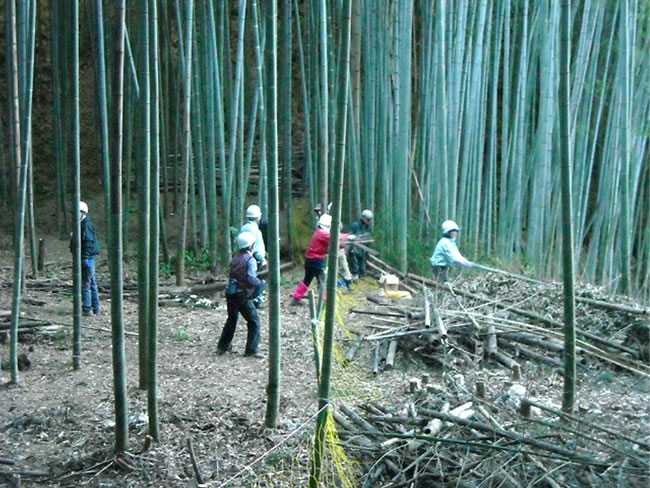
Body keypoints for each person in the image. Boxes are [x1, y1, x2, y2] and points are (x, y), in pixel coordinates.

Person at [217, 232, 265, 358]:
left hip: (230, 293)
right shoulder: (250, 260)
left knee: (231, 320)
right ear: (251, 246)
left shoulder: (235, 257)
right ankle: (251, 350)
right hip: (241, 294)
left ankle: (222, 347)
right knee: (254, 321)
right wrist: (260, 282)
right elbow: (250, 278)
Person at [292, 214, 353, 304]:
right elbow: (335, 237)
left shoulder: (319, 232)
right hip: (316, 261)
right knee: (324, 282)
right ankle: (326, 302)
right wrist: (348, 237)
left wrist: (343, 242)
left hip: (310, 260)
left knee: (307, 280)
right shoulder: (322, 233)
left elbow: (333, 244)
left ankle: (296, 298)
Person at [69, 201, 101, 316]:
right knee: (90, 283)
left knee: (86, 283)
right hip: (86, 257)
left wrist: (84, 256)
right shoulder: (81, 223)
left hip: (86, 258)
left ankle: (88, 308)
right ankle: (95, 308)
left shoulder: (85, 224)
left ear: (82, 212)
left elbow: (88, 241)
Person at [348, 209, 373, 279]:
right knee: (355, 267)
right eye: (368, 219)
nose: (369, 221)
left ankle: (360, 278)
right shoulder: (355, 225)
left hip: (363, 250)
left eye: (370, 219)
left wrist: (367, 250)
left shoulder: (369, 228)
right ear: (363, 218)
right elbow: (349, 237)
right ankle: (354, 278)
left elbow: (368, 239)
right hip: (355, 249)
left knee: (362, 269)